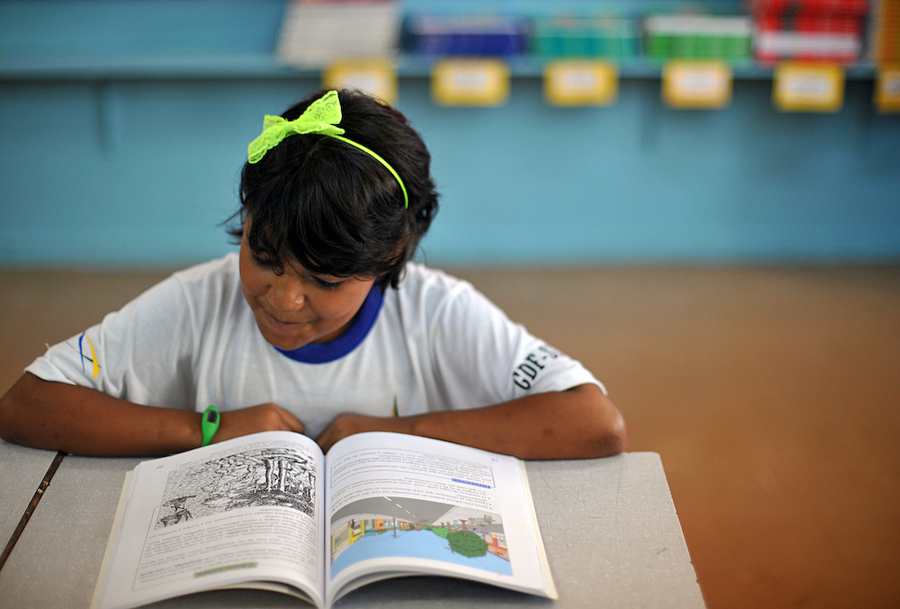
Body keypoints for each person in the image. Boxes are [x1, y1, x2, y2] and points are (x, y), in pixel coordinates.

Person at [0, 89, 626, 460]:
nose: (284, 299)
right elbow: (26, 404)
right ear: (246, 219)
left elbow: (595, 423)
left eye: (325, 282)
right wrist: (205, 430)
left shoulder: (437, 313)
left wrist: (398, 433)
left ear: (389, 259)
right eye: (264, 257)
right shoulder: (199, 302)